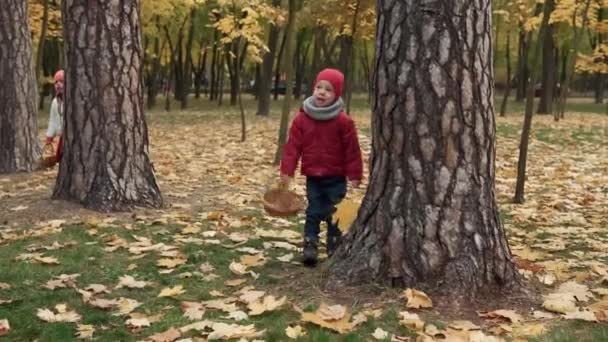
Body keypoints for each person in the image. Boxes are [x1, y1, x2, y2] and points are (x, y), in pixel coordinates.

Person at [279, 68, 363, 267]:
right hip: (313, 177)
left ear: (337, 95)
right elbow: (292, 147)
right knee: (314, 211)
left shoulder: (343, 122)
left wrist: (355, 175)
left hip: (336, 176)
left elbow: (352, 150)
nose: (322, 92)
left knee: (335, 211)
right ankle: (310, 244)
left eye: (328, 90)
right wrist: (287, 171)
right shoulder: (302, 119)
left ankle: (334, 243)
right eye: (319, 87)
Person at [45, 70, 64, 162]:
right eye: (56, 82)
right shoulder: (55, 102)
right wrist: (50, 136)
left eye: (61, 81)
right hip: (61, 138)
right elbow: (52, 120)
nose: (58, 84)